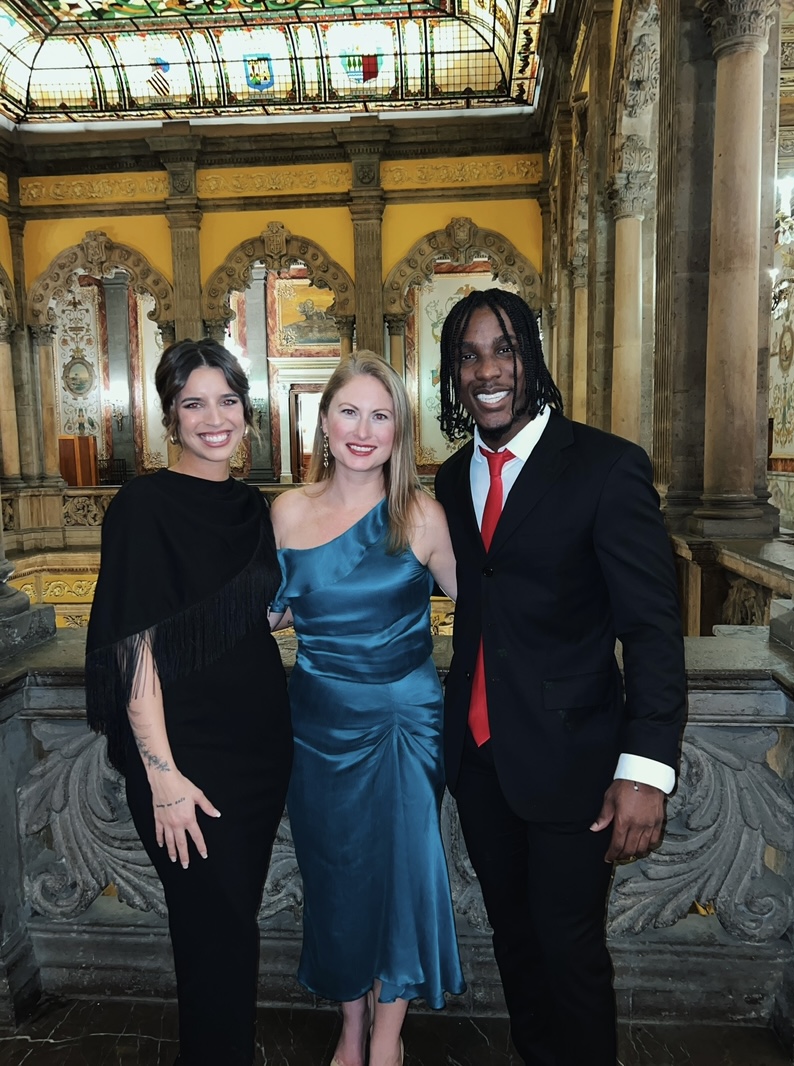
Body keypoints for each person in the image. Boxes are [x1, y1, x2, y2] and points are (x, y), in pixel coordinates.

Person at [434, 289, 686, 1066]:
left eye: (503, 350)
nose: (487, 370)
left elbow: (651, 630)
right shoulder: (449, 481)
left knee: (570, 951)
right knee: (514, 941)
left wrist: (645, 772)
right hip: (480, 764)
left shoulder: (606, 468)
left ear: (532, 359)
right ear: (452, 374)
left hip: (576, 764)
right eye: (469, 356)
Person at [85, 338, 293, 1066]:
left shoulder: (252, 506)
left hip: (262, 750)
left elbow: (249, 612)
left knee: (233, 927)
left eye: (228, 401)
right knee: (213, 931)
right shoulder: (142, 507)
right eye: (194, 404)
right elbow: (133, 647)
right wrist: (162, 777)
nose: (215, 418)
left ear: (246, 410)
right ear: (170, 417)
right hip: (188, 760)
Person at [269, 350, 465, 1066]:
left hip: (405, 724)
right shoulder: (287, 511)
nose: (363, 429)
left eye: (380, 416)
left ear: (398, 432)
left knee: (408, 874)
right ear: (322, 423)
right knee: (338, 876)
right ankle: (351, 1026)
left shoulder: (422, 515)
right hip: (318, 724)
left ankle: (387, 1038)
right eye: (348, 411)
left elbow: (486, 609)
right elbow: (274, 611)